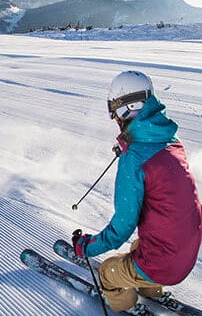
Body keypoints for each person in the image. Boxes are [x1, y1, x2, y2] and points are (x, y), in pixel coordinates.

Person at [72, 70, 202, 313]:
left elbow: (122, 227)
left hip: (164, 265)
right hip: (185, 255)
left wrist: (86, 247)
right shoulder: (172, 142)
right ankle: (151, 287)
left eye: (115, 112)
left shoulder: (134, 159)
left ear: (124, 110)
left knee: (107, 272)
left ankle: (126, 306)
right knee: (137, 248)